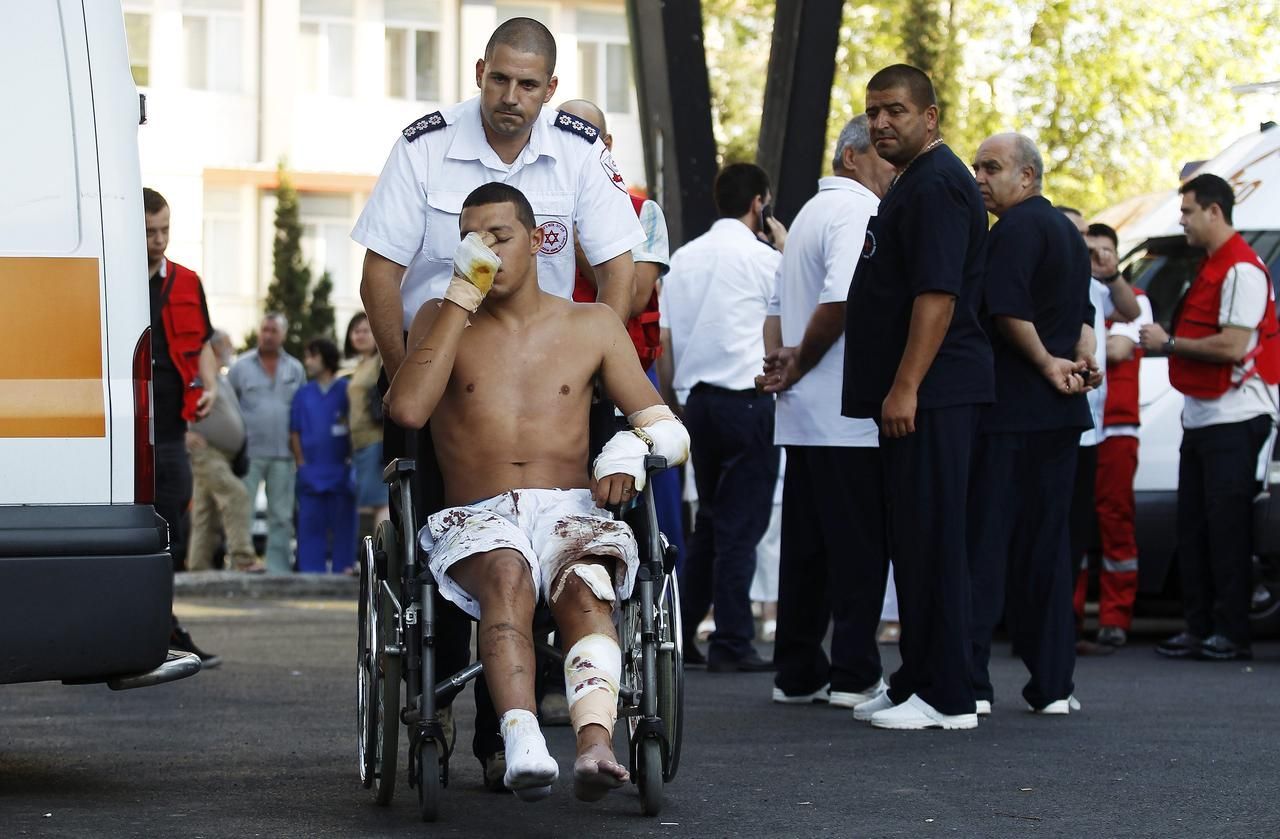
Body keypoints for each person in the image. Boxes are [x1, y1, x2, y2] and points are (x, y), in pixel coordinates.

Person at [351, 17, 646, 787]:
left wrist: (597, 355)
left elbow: (621, 266)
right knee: (460, 555)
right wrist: (413, 369)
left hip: (551, 375)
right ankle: (441, 707)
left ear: (550, 88)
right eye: (497, 80)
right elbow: (380, 275)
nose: (509, 98)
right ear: (479, 71)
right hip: (444, 367)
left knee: (565, 549)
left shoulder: (579, 151)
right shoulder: (424, 146)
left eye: (527, 86)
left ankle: (504, 730)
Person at [385, 182, 689, 803]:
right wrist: (456, 302)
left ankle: (596, 745)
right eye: (471, 238)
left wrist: (628, 451)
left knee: (584, 586)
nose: (486, 250)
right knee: (507, 576)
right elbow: (409, 411)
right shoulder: (438, 321)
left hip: (569, 508)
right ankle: (523, 742)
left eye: (499, 236)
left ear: (536, 240)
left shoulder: (593, 323)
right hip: (477, 513)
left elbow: (666, 428)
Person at [841, 65, 993, 730]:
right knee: (914, 538)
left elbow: (938, 295)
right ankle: (916, 679)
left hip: (935, 392)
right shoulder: (916, 182)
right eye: (874, 111)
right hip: (918, 394)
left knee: (934, 540)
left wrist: (905, 385)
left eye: (896, 110)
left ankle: (949, 696)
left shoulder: (936, 186)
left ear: (930, 117)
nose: (881, 123)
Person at [761, 114, 896, 708]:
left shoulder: (811, 213)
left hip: (804, 411)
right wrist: (800, 364)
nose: (894, 170)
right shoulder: (856, 212)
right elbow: (841, 299)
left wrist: (780, 363)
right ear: (851, 158)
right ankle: (854, 673)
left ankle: (797, 671)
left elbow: (774, 309)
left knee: (807, 551)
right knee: (858, 549)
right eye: (885, 158)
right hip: (843, 409)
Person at [965, 133, 1093, 717]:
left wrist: (1046, 364)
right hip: (1061, 414)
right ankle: (1054, 686)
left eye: (992, 168)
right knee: (1049, 548)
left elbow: (1008, 310)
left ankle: (971, 683)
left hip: (1015, 410)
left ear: (1028, 176)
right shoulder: (1069, 231)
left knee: (986, 546)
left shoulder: (1012, 231)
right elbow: (1085, 315)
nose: (980, 177)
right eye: (977, 167)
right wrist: (1079, 361)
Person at [1141, 173, 1280, 662]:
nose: (1183, 221)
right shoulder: (1214, 265)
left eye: (1188, 211)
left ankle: (1231, 631)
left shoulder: (1242, 269)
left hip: (1237, 417)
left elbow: (1233, 345)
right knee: (1193, 528)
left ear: (1214, 212)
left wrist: (1169, 344)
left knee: (1226, 529)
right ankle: (1199, 627)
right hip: (1204, 416)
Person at [661, 162, 785, 673]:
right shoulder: (764, 258)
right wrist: (784, 250)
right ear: (760, 202)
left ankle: (684, 634)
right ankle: (733, 640)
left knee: (709, 521)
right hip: (749, 400)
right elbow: (788, 320)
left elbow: (666, 341)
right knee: (741, 525)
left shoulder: (684, 259)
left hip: (698, 403)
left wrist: (672, 400)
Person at [143, 187, 222, 667]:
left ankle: (164, 625)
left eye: (164, 230)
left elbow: (204, 345)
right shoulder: (110, 277)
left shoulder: (188, 282)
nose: (158, 240)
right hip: (122, 435)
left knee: (171, 530)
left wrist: (209, 385)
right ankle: (137, 625)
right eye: (149, 232)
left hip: (172, 432)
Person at [1074, 224, 1154, 647]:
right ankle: (1069, 619)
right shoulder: (1073, 286)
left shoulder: (1130, 296)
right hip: (1084, 424)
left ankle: (1115, 618)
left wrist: (1109, 278)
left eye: (1105, 251)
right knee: (1075, 523)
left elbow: (1121, 348)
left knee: (1115, 520)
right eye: (1090, 251)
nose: (1097, 258)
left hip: (1118, 425)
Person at [229, 314, 306, 575]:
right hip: (248, 453)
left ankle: (278, 570)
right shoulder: (240, 367)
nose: (268, 335)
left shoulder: (294, 368)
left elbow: (302, 409)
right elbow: (229, 406)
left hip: (284, 454)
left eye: (273, 330)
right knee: (243, 511)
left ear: (282, 335)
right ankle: (240, 563)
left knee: (282, 515)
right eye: (264, 329)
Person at [187, 329, 261, 573]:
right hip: (207, 453)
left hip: (221, 455)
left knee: (205, 515)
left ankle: (197, 569)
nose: (232, 349)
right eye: (228, 344)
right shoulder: (200, 376)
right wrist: (183, 435)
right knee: (236, 494)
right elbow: (181, 404)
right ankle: (243, 558)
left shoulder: (219, 378)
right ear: (215, 347)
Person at [290, 337, 357, 574]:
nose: (307, 362)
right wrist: (301, 463)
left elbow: (354, 425)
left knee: (343, 521)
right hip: (311, 469)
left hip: (339, 468)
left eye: (312, 356)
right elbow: (295, 431)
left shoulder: (345, 390)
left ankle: (343, 567)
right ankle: (310, 571)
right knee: (310, 523)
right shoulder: (303, 394)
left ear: (326, 358)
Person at [343, 312, 388, 557]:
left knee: (379, 502)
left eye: (365, 330)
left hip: (376, 440)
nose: (360, 335)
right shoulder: (361, 364)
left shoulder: (380, 359)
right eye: (356, 331)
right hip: (361, 444)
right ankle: (372, 560)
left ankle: (383, 560)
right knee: (369, 503)